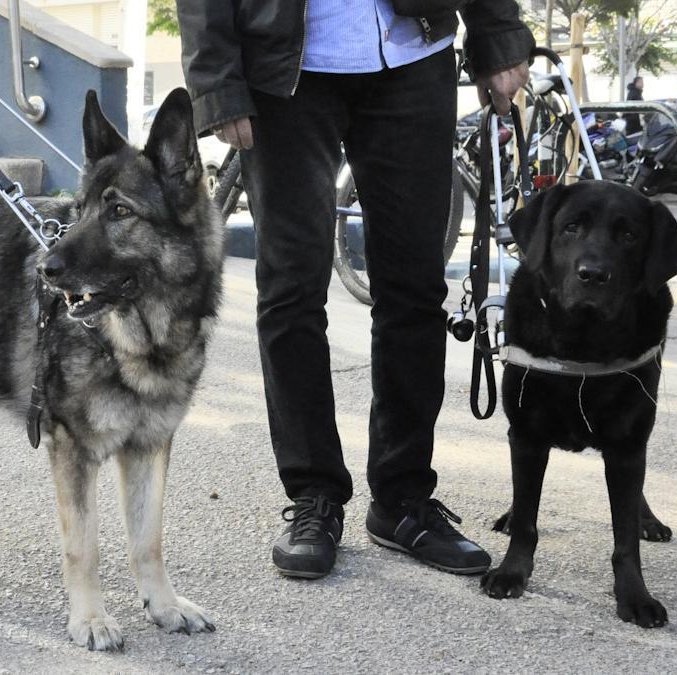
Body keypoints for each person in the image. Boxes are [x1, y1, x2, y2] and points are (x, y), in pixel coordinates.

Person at [177, 0, 534, 579]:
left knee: (415, 290)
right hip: (286, 70)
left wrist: (498, 33)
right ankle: (314, 494)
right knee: (291, 290)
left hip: (413, 56)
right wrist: (217, 82)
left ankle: (401, 500)